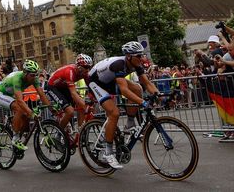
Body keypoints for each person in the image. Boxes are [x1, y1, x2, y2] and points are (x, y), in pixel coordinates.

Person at [87, 41, 160, 170]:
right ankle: (108, 152)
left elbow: (147, 83)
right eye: (138, 56)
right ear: (129, 56)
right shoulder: (119, 64)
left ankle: (130, 123)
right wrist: (142, 102)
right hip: (96, 82)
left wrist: (158, 94)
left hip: (110, 81)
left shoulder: (136, 64)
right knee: (114, 113)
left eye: (142, 55)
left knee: (137, 88)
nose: (141, 58)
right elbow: (125, 90)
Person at [0, 60, 51, 151]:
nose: (34, 77)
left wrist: (52, 109)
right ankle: (15, 139)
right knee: (20, 109)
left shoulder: (34, 78)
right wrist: (32, 113)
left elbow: (42, 95)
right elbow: (20, 101)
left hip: (11, 95)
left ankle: (18, 137)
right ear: (25, 73)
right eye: (32, 75)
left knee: (26, 116)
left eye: (36, 74)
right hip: (1, 95)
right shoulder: (17, 78)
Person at [46, 54, 93, 140]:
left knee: (80, 106)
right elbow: (73, 94)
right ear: (79, 67)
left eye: (89, 67)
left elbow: (91, 88)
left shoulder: (84, 73)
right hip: (53, 87)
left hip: (64, 87)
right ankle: (58, 135)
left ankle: (81, 132)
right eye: (86, 67)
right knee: (70, 111)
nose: (88, 70)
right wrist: (85, 106)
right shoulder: (70, 71)